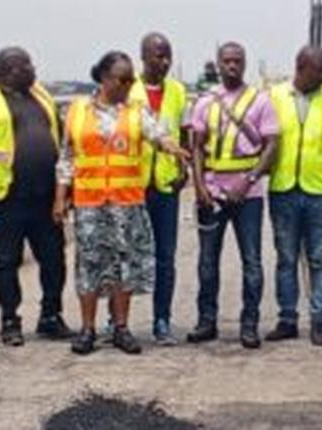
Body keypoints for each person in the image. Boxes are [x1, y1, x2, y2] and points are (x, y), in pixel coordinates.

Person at [54, 51, 189, 355]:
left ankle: (121, 328)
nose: (129, 84)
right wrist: (60, 198)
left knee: (123, 267)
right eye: (122, 79)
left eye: (131, 79)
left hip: (126, 204)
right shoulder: (77, 111)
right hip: (89, 203)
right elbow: (67, 158)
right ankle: (87, 329)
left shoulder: (136, 111)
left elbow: (157, 135)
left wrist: (172, 147)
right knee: (89, 266)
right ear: (104, 78)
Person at [0, 47, 71, 347]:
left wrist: (64, 191)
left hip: (45, 198)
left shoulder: (42, 97)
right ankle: (10, 320)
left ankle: (50, 315)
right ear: (10, 70)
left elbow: (61, 142)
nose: (34, 69)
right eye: (27, 65)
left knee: (54, 259)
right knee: (6, 261)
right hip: (5, 200)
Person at [187, 42, 278, 349]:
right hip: (211, 193)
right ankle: (206, 321)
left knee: (252, 262)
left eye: (237, 61)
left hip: (248, 195)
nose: (232, 66)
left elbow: (271, 146)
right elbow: (197, 147)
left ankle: (249, 324)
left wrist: (249, 179)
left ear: (245, 63)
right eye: (227, 61)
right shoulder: (205, 102)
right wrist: (199, 187)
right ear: (218, 63)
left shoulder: (260, 100)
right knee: (207, 263)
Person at [265, 46, 322, 347]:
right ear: (301, 67)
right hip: (284, 189)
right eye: (319, 70)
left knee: (319, 259)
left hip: (319, 191)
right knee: (286, 258)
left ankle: (319, 322)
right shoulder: (275, 96)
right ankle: (287, 320)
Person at [128, 32, 190, 346]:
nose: (164, 62)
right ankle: (118, 321)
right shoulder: (129, 89)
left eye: (168, 56)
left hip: (165, 186)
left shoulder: (178, 91)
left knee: (165, 257)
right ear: (143, 56)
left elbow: (185, 133)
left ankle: (162, 320)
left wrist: (183, 169)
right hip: (133, 186)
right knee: (128, 255)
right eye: (157, 56)